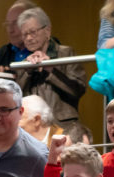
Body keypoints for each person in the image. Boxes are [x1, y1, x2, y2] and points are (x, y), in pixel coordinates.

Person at [12, 7, 90, 142]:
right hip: (32, 131)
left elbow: (78, 89)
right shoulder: (23, 65)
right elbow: (16, 98)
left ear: (47, 30)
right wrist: (27, 72)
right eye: (25, 35)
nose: (29, 38)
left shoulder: (66, 54)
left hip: (64, 127)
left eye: (33, 32)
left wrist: (51, 70)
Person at [0, 1, 34, 71]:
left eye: (15, 23)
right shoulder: (5, 51)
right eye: (8, 24)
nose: (10, 30)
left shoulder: (48, 47)